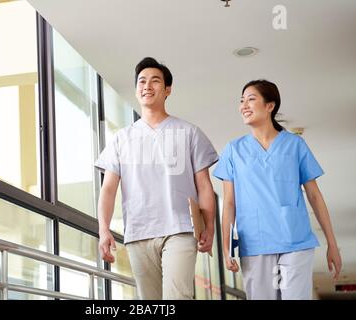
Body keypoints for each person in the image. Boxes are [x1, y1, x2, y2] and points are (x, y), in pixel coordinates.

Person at [95, 57, 218, 299]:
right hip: (138, 231)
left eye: (155, 81)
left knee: (178, 296)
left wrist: (209, 226)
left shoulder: (189, 132)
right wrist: (104, 230)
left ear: (168, 89)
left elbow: (204, 185)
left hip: (180, 228)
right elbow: (108, 189)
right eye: (142, 81)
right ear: (136, 89)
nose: (147, 86)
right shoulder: (122, 138)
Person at [213, 79, 342, 300]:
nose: (243, 105)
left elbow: (314, 195)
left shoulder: (295, 145)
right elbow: (229, 203)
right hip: (255, 242)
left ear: (270, 106)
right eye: (241, 100)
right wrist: (225, 249)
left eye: (251, 99)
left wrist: (332, 243)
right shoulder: (234, 150)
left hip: (295, 239)